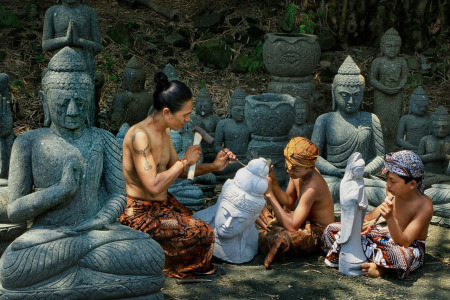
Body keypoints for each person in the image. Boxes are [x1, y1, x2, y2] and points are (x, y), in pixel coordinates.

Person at [0, 47, 165, 299]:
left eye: (80, 102)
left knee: (152, 254)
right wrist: (61, 190)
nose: (72, 111)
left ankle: (69, 278)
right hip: (48, 237)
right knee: (12, 266)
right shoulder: (28, 143)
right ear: (45, 100)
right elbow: (15, 210)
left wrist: (99, 221)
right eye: (62, 102)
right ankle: (95, 279)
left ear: (90, 100)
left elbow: (118, 195)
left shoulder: (103, 139)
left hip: (98, 235)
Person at [120, 72, 236, 278]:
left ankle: (165, 254)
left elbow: (182, 172)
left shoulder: (163, 131)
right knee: (202, 233)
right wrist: (185, 160)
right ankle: (158, 261)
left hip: (164, 207)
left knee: (203, 222)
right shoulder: (140, 136)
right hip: (141, 215)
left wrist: (214, 166)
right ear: (166, 112)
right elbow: (153, 186)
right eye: (185, 114)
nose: (188, 120)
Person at [322, 150, 433, 279]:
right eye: (387, 179)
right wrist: (361, 225)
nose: (388, 184)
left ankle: (382, 269)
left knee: (400, 256)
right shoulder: (393, 192)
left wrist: (390, 218)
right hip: (384, 235)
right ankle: (372, 259)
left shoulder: (424, 206)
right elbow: (371, 218)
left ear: (412, 184)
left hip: (408, 246)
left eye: (393, 181)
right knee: (332, 230)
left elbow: (404, 241)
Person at [257, 137, 334, 268]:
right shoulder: (297, 174)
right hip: (300, 220)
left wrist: (270, 195)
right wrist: (273, 181)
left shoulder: (312, 186)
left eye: (295, 169)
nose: (289, 171)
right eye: (287, 166)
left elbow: (292, 226)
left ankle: (266, 236)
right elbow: (288, 201)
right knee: (256, 205)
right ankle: (266, 232)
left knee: (280, 239)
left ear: (310, 168)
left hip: (318, 232)